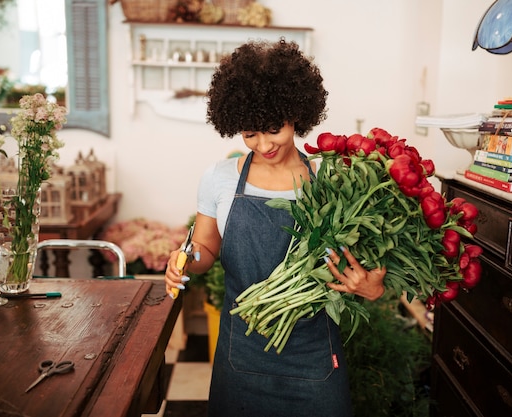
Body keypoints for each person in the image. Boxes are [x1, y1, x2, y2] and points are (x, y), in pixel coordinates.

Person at [165, 38, 386, 417]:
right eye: (249, 134)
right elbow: (205, 248)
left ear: (296, 114)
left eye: (272, 129)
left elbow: (363, 266)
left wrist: (372, 287)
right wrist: (185, 258)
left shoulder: (329, 179)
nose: (263, 144)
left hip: (314, 356)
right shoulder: (218, 179)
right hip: (242, 352)